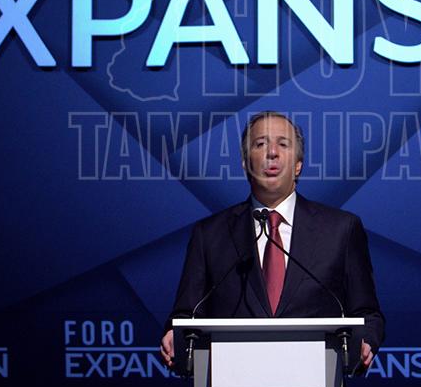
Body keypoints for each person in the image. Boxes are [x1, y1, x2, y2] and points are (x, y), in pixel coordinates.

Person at [160, 111, 384, 370]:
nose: (272, 153)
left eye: (283, 144)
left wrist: (366, 340)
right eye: (260, 144)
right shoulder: (209, 234)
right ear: (245, 163)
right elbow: (186, 314)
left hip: (316, 377)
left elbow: (367, 314)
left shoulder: (341, 230)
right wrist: (174, 336)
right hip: (233, 378)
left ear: (298, 165)